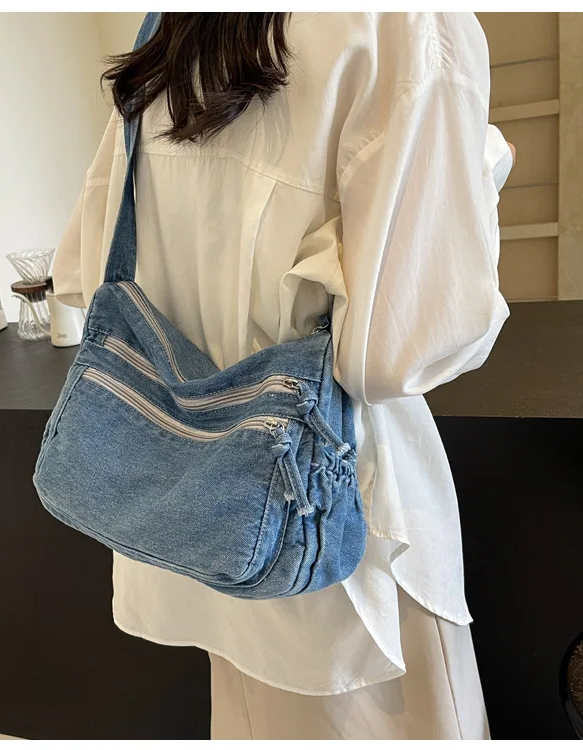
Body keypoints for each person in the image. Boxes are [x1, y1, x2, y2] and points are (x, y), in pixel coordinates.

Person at [54, 12, 514, 740]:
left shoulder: (170, 29)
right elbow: (401, 350)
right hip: (341, 541)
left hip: (203, 538)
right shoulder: (405, 23)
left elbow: (81, 272)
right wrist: (481, 168)